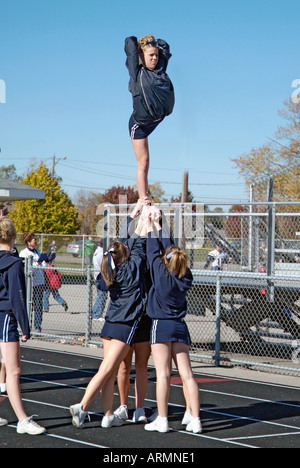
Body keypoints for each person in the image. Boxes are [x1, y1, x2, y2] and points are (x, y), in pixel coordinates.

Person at [70, 201, 147, 429]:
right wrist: (141, 221)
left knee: (110, 372)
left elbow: (124, 245)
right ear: (126, 257)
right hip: (124, 327)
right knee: (106, 371)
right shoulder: (132, 270)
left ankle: (108, 415)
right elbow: (139, 244)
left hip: (109, 327)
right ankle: (82, 407)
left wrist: (131, 217)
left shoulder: (109, 273)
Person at [143, 207, 202, 434]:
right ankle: (195, 419)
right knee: (187, 375)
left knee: (163, 375)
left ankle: (163, 419)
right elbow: (169, 250)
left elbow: (152, 249)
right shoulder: (185, 276)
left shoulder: (159, 271)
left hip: (161, 324)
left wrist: (150, 225)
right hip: (180, 326)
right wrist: (160, 225)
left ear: (166, 260)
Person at [0, 217, 45, 435]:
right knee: (14, 370)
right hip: (5, 318)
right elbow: (17, 298)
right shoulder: (13, 263)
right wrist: (25, 327)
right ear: (14, 236)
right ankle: (22, 419)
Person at [125, 34, 175, 199]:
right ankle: (143, 197)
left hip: (156, 119)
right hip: (139, 125)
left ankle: (145, 195)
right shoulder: (137, 72)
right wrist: (139, 42)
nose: (154, 58)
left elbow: (166, 51)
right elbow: (130, 47)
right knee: (144, 162)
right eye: (150, 55)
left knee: (147, 162)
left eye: (156, 55)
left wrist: (158, 44)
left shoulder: (160, 68)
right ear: (142, 56)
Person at [19, 233, 53, 332]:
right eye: (34, 239)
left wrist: (47, 261)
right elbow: (27, 270)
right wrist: (38, 262)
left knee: (38, 305)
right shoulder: (24, 253)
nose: (36, 241)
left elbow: (43, 267)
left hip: (39, 282)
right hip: (29, 284)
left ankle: (37, 327)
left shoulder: (37, 252)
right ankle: (26, 326)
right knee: (28, 305)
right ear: (28, 242)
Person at [91, 239, 107, 320]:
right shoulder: (101, 254)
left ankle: (94, 312)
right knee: (102, 296)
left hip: (98, 276)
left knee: (101, 296)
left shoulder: (98, 251)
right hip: (101, 277)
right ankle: (97, 314)